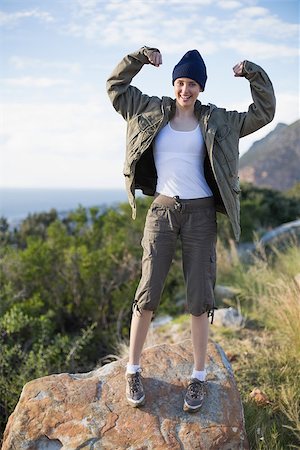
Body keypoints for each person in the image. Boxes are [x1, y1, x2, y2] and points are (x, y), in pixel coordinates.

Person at [106, 46, 275, 412]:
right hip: (162, 212)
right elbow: (115, 87)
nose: (186, 89)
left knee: (200, 298)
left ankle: (198, 377)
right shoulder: (149, 108)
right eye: (181, 82)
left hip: (200, 216)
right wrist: (137, 58)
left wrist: (253, 73)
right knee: (148, 291)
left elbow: (264, 112)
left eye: (193, 84)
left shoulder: (217, 120)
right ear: (174, 83)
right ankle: (132, 370)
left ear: (200, 88)